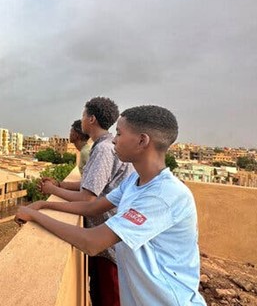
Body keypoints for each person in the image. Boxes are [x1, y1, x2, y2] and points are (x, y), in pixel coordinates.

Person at [15, 105, 206, 305]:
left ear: (142, 140)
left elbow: (92, 242)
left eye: (120, 133)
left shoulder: (164, 196)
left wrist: (35, 216)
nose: (114, 139)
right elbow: (91, 207)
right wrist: (43, 206)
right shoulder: (134, 182)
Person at [40, 97, 134, 306]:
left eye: (83, 115)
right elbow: (91, 184)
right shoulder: (104, 145)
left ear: (91, 119)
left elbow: (88, 198)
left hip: (107, 241)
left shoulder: (103, 149)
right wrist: (62, 185)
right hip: (107, 237)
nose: (81, 119)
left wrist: (51, 191)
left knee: (108, 298)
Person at [41, 119, 92, 191]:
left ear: (76, 135)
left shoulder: (85, 153)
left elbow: (91, 185)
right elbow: (85, 184)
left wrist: (53, 188)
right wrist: (57, 184)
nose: (69, 134)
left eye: (71, 131)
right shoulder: (85, 150)